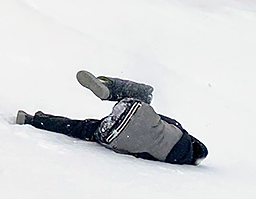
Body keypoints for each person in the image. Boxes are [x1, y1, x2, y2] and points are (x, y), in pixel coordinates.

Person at [15, 70, 208, 165]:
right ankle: (32, 119)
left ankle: (109, 89)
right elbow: (141, 156)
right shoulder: (171, 160)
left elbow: (161, 118)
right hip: (118, 137)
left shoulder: (180, 133)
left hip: (136, 114)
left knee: (146, 94)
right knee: (80, 128)